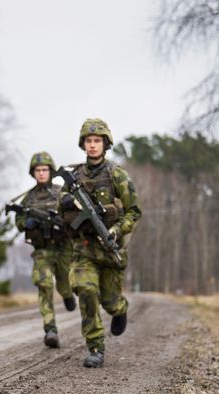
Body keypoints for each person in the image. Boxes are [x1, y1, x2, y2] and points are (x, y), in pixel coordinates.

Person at [60, 119, 141, 368]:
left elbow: (133, 211)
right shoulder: (73, 176)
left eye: (97, 141)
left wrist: (117, 230)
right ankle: (95, 347)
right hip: (84, 248)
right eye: (89, 141)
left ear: (105, 144)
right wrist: (65, 204)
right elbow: (62, 207)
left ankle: (120, 309)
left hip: (109, 250)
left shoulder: (117, 174)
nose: (93, 145)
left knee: (109, 301)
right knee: (86, 290)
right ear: (83, 144)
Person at [15, 152, 77, 349]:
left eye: (45, 170)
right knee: (44, 284)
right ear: (33, 173)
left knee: (65, 284)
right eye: (38, 170)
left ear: (51, 172)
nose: (41, 173)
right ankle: (50, 329)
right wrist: (27, 223)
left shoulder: (61, 193)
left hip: (64, 247)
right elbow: (19, 222)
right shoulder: (28, 199)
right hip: (42, 250)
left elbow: (76, 216)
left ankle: (67, 296)